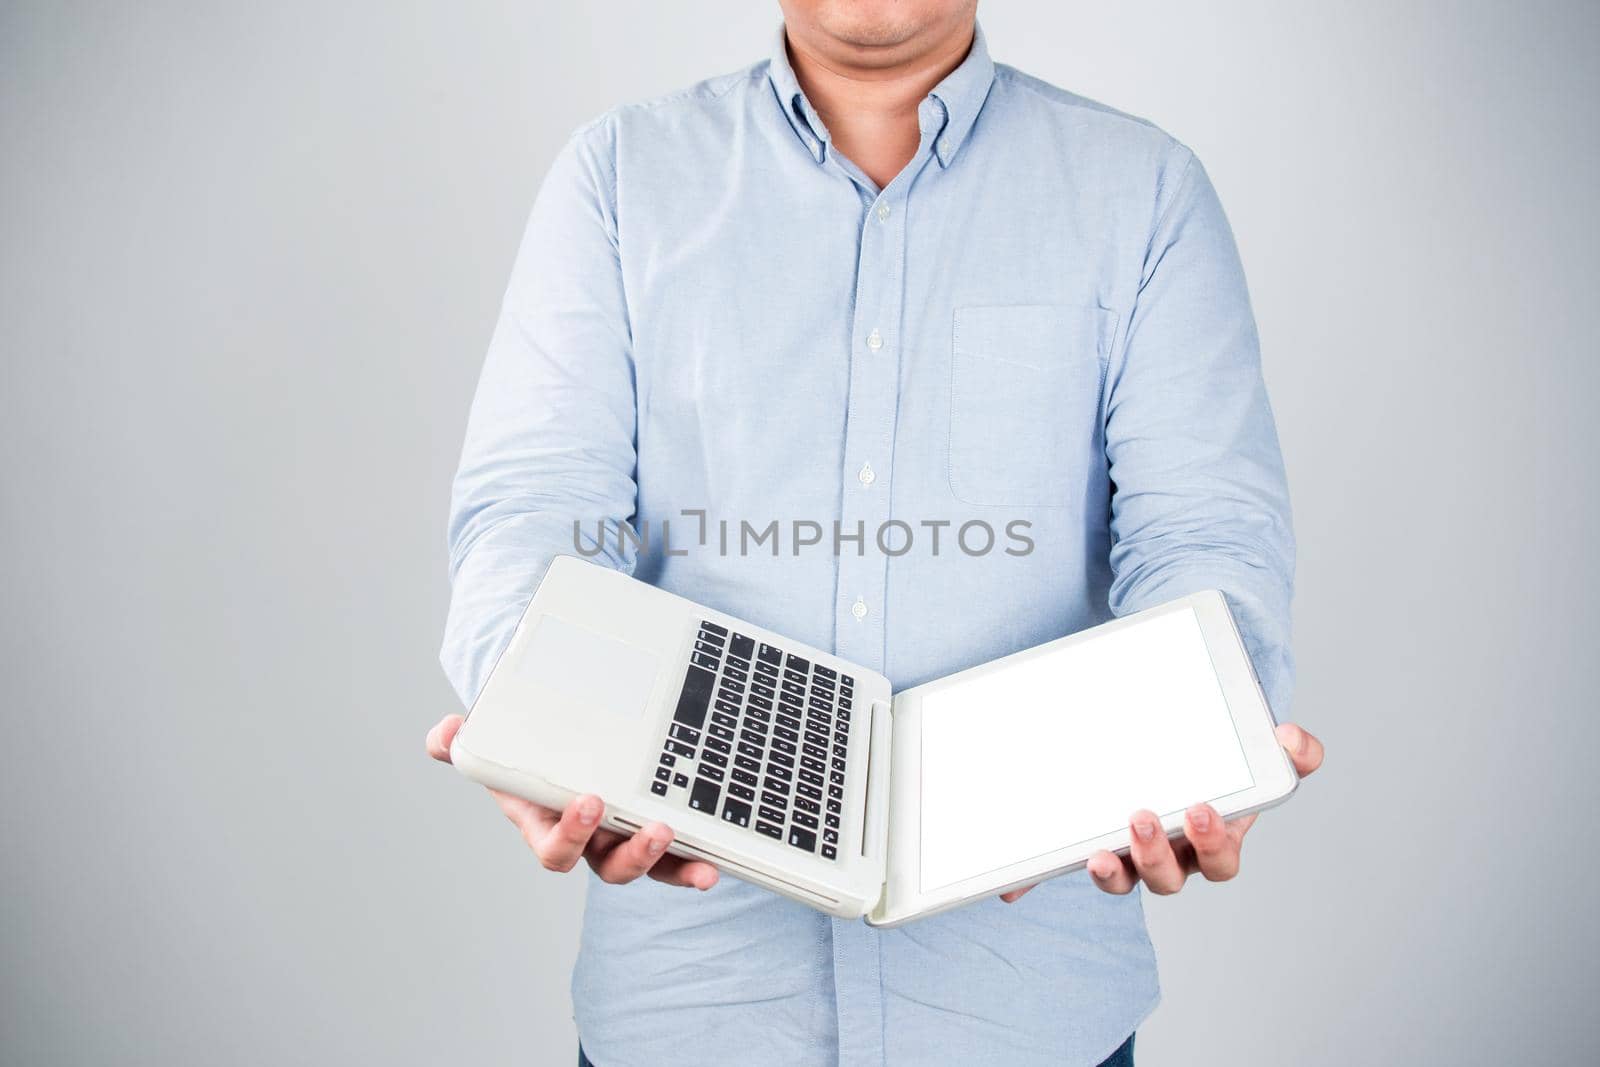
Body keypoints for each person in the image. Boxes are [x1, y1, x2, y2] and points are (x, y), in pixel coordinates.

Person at [426, 2, 1325, 1064]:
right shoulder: (620, 176)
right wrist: (537, 711)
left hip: (1026, 1010)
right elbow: (534, 506)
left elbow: (1205, 528)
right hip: (692, 1004)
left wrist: (1197, 739)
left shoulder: (1142, 189)